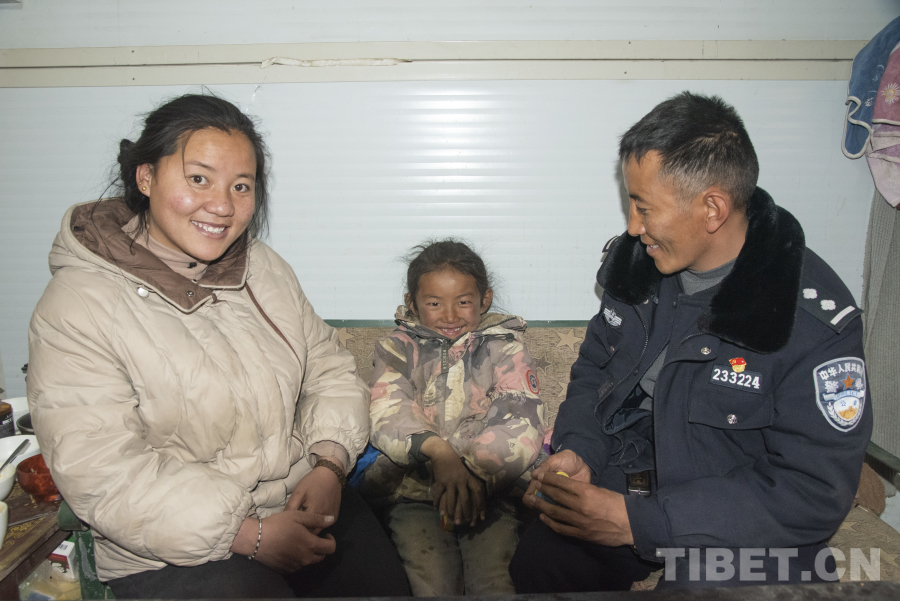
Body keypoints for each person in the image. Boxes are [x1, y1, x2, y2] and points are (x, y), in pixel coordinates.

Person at [26, 94, 409, 599]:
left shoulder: (264, 268)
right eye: (199, 178)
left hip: (300, 496)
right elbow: (102, 471)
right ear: (146, 177)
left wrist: (329, 466)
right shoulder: (77, 305)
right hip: (169, 548)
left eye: (241, 186)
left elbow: (329, 369)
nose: (223, 206)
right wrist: (249, 535)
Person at [509, 92, 873, 590]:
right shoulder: (637, 270)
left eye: (644, 208)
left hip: (736, 513)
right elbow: (593, 370)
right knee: (539, 562)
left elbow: (811, 491)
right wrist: (581, 451)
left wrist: (642, 524)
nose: (633, 227)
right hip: (636, 471)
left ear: (713, 208)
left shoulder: (809, 320)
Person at [357, 240, 545, 596]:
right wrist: (439, 452)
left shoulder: (506, 348)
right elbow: (386, 409)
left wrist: (475, 471)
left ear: (484, 300)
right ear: (412, 303)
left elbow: (520, 414)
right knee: (431, 584)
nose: (449, 315)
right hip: (414, 492)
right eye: (434, 303)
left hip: (490, 491)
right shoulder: (396, 349)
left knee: (495, 581)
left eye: (463, 302)